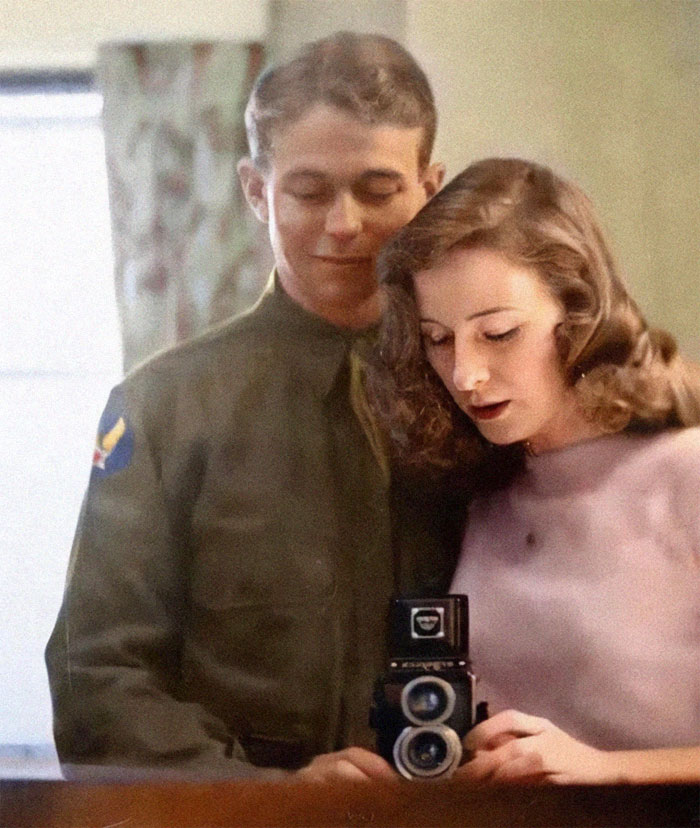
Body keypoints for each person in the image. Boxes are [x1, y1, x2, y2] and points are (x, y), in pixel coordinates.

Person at [45, 32, 457, 782]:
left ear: (429, 188)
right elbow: (97, 677)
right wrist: (272, 800)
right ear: (255, 189)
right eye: (307, 190)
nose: (344, 224)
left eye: (377, 188)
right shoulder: (165, 408)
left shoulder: (485, 397)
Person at [370, 157, 700, 784]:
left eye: (498, 333)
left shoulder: (689, 476)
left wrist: (609, 770)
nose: (465, 374)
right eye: (439, 339)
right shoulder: (477, 495)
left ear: (577, 314)